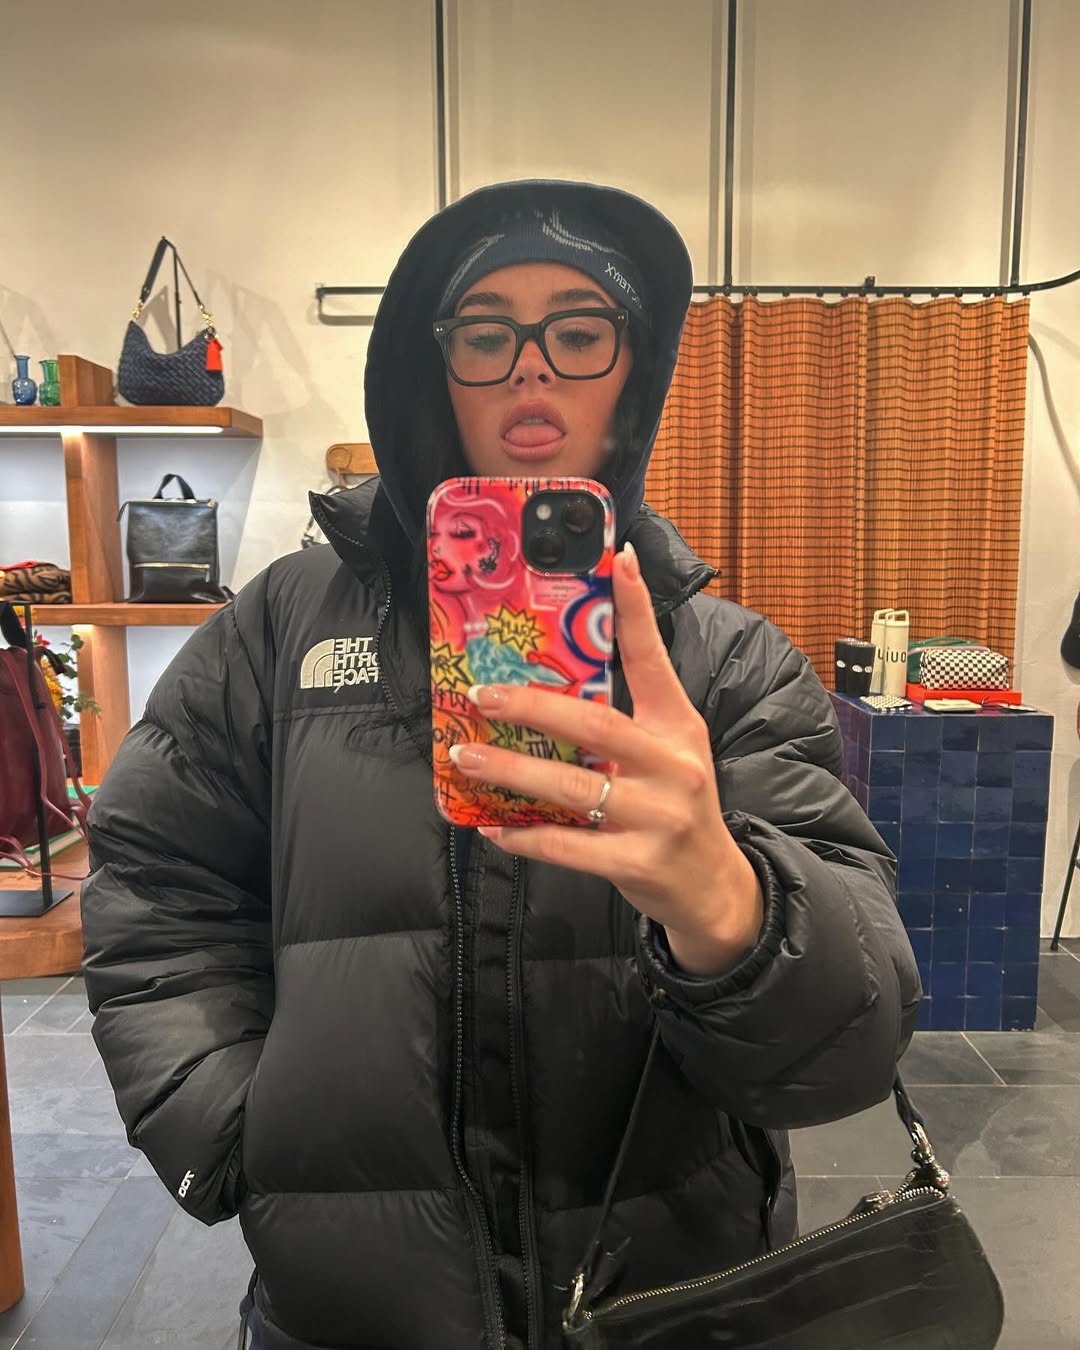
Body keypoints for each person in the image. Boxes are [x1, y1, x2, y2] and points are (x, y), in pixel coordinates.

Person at [81, 180, 921, 1350]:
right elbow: (156, 886)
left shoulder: (729, 666)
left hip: (668, 1299)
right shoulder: (280, 628)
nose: (532, 370)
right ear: (434, 370)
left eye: (578, 331)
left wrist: (736, 910)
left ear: (636, 372)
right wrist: (237, 1130)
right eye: (486, 335)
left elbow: (853, 1048)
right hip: (352, 1308)